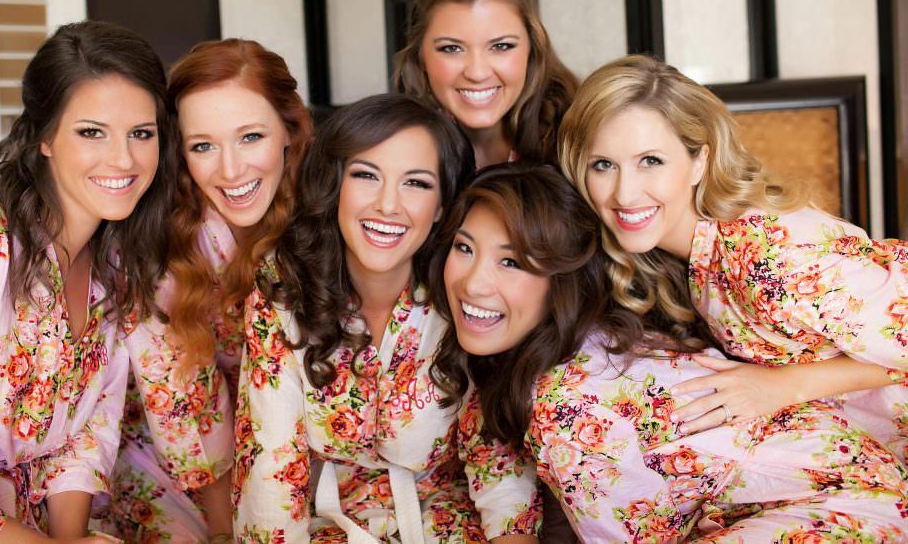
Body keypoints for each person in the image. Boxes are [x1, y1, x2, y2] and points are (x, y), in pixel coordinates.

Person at [430, 162, 908, 541]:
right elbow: (492, 455)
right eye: (464, 247)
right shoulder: (536, 361)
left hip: (849, 509)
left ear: (562, 277)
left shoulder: (572, 396)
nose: (473, 282)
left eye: (511, 261)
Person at [0, 21, 175, 542]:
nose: (124, 159)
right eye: (92, 132)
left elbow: (88, 434)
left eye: (141, 133)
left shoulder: (116, 267)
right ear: (44, 137)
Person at [558, 54, 908, 459]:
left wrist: (784, 386)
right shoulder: (683, 254)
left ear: (699, 162)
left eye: (650, 161)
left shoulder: (766, 259)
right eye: (603, 165)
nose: (624, 193)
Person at [233, 94, 541, 543]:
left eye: (416, 183)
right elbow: (271, 464)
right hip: (331, 524)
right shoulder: (282, 293)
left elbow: (495, 460)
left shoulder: (466, 290)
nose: (388, 205)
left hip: (449, 521)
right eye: (365, 176)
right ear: (336, 184)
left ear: (440, 206)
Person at [104, 39, 313, 542]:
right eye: (203, 146)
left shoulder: (328, 206)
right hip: (179, 454)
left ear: (288, 130)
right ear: (181, 152)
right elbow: (182, 403)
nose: (230, 170)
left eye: (250, 137)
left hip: (298, 439)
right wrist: (228, 529)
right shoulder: (160, 246)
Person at [394, 0, 578, 169]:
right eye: (452, 48)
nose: (477, 73)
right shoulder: (398, 151)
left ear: (532, 48)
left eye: (501, 46)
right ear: (421, 56)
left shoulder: (582, 141)